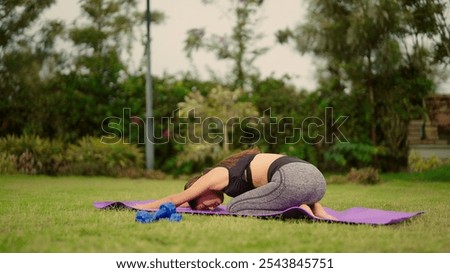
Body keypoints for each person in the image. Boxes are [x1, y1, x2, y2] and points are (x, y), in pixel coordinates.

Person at [135, 148, 336, 220]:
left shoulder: (216, 174)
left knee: (234, 206)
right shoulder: (237, 171)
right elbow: (188, 203)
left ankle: (303, 205)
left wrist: (138, 207)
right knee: (255, 197)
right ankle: (313, 204)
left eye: (199, 202)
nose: (206, 208)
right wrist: (193, 205)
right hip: (317, 180)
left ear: (200, 187)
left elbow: (175, 200)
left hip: (293, 179)